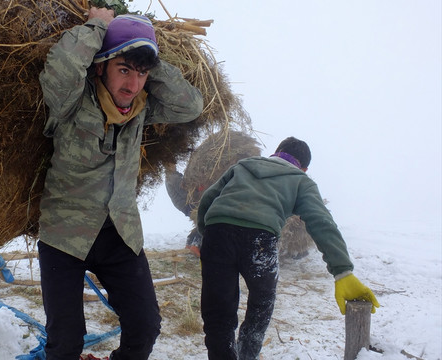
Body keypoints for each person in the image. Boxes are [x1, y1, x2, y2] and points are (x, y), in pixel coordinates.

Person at [38, 7, 204, 360]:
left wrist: (148, 57)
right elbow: (61, 68)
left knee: (145, 328)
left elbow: (190, 105)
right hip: (64, 235)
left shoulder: (142, 109)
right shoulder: (71, 101)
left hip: (120, 232)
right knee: (65, 344)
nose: (132, 85)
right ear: (101, 67)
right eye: (124, 70)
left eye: (141, 75)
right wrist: (99, 25)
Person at [196, 136, 380, 360]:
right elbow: (321, 222)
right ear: (304, 167)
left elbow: (208, 199)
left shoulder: (244, 166)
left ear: (277, 151)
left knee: (218, 314)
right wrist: (342, 270)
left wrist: (209, 236)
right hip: (259, 240)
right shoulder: (300, 180)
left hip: (218, 232)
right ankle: (246, 355)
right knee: (261, 305)